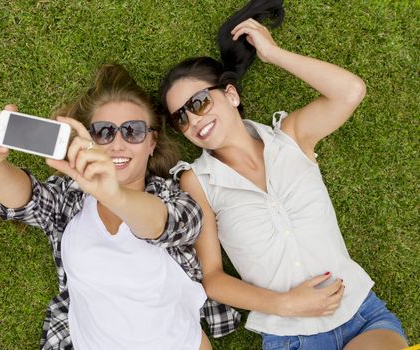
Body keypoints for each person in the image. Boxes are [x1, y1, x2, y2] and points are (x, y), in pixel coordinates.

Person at [159, 1, 408, 349]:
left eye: (199, 102)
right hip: (291, 335)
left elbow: (351, 92)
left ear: (230, 94)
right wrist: (287, 304)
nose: (194, 120)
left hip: (360, 316)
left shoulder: (291, 137)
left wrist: (274, 54)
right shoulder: (197, 180)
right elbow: (213, 278)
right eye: (180, 118)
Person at [0, 64, 213, 350]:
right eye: (104, 132)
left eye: (133, 131)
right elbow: (27, 201)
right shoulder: (72, 201)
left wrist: (114, 195)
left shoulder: (173, 198)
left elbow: (172, 224)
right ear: (89, 140)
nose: (118, 144)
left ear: (151, 142)